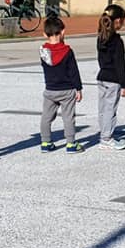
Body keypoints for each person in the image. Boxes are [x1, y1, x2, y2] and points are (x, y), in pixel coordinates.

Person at [38, 16, 84, 154]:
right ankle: (71, 144)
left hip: (50, 89)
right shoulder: (67, 51)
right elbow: (73, 71)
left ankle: (45, 142)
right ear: (63, 32)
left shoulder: (43, 51)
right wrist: (78, 88)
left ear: (45, 34)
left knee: (46, 117)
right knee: (68, 117)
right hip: (67, 90)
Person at [96, 4, 125, 150]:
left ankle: (103, 135)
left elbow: (100, 59)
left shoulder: (101, 37)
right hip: (113, 79)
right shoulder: (117, 41)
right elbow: (120, 64)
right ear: (118, 21)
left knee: (103, 109)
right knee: (110, 109)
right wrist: (124, 85)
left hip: (102, 76)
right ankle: (107, 139)